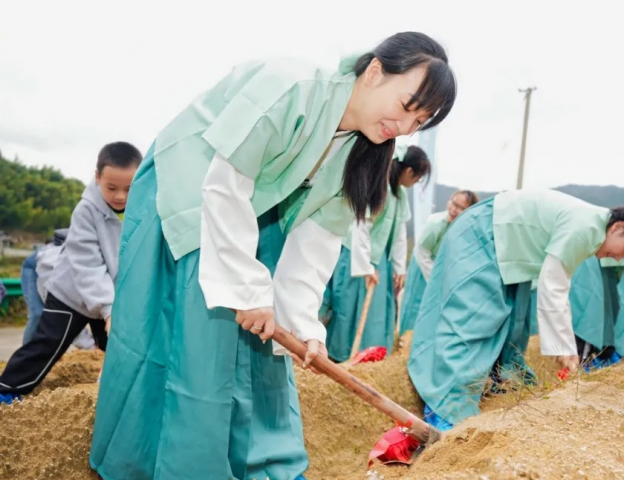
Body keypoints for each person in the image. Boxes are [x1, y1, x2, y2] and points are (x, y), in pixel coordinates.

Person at [89, 32, 456, 480]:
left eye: (420, 122)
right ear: (376, 71)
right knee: (195, 342)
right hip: (188, 189)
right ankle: (175, 465)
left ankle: (265, 465)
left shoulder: (362, 151)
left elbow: (316, 241)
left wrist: (305, 327)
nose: (404, 127)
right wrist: (248, 289)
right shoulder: (292, 86)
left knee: (263, 352)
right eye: (406, 107)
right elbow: (225, 184)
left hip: (250, 215)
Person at [407, 190, 624, 429]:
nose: (617, 259)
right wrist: (565, 350)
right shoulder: (586, 227)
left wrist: (564, 347)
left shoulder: (593, 229)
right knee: (473, 321)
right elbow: (554, 284)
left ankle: (499, 381)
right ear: (617, 227)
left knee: (513, 323)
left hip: (509, 249)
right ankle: (448, 409)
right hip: (484, 234)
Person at [0, 142, 142, 405]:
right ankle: (7, 388)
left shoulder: (142, 210)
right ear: (98, 177)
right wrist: (108, 308)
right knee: (47, 343)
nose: (120, 196)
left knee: (123, 343)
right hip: (71, 294)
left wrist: (116, 307)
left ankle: (122, 393)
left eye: (129, 188)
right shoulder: (86, 212)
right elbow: (87, 264)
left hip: (111, 296)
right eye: (111, 188)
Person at [325, 145, 431, 362]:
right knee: (348, 307)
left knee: (377, 313)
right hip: (357, 254)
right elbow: (360, 224)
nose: (416, 183)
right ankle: (342, 355)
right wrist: (365, 267)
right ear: (409, 172)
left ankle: (370, 357)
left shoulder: (399, 194)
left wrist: (400, 269)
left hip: (380, 258)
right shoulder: (378, 184)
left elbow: (400, 233)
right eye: (418, 178)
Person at [398, 189, 478, 335]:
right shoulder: (436, 222)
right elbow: (422, 252)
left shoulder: (464, 228)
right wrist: (435, 278)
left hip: (440, 270)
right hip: (423, 267)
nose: (454, 209)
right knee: (417, 305)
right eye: (454, 203)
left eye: (461, 208)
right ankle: (406, 340)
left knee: (433, 309)